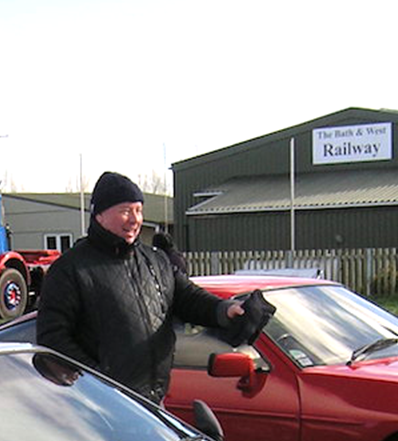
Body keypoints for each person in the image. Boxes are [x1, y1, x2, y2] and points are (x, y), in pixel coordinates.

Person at [35, 171, 245, 404]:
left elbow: (188, 298)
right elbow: (52, 338)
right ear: (99, 215)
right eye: (125, 211)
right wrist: (99, 381)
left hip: (154, 401)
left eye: (138, 210)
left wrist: (224, 309)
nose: (135, 219)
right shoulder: (70, 269)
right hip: (100, 406)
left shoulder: (156, 260)